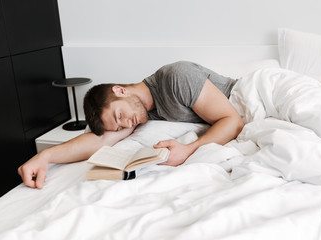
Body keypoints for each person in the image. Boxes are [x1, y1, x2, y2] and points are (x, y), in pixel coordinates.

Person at [18, 61, 244, 189]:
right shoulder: (137, 114)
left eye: (119, 116)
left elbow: (233, 121)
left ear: (120, 90)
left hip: (243, 98)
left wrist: (187, 150)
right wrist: (45, 156)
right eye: (119, 127)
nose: (125, 124)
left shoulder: (176, 78)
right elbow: (99, 141)